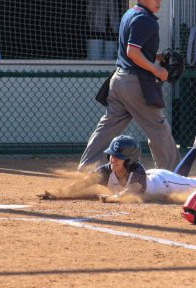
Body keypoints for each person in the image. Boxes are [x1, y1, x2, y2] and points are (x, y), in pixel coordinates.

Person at [78, 0, 181, 172]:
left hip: (118, 80)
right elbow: (132, 52)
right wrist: (156, 70)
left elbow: (133, 50)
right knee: (158, 128)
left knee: (108, 128)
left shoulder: (130, 13)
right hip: (136, 83)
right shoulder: (146, 20)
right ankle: (175, 175)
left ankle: (87, 171)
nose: (159, 1)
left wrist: (156, 57)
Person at [38, 132, 196, 203]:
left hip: (164, 182)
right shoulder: (105, 171)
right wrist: (59, 194)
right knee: (182, 178)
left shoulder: (136, 172)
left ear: (129, 160)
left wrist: (114, 198)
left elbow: (132, 193)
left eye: (118, 157)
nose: (113, 160)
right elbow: (83, 184)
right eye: (112, 155)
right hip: (160, 178)